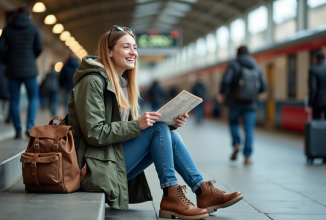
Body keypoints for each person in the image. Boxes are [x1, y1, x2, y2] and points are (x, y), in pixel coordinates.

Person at [68, 25, 243, 219]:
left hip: (108, 159)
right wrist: (139, 125)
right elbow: (94, 133)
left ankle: (202, 191)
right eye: (126, 47)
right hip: (90, 168)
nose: (133, 52)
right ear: (109, 51)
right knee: (158, 129)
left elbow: (126, 132)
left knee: (168, 132)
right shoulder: (92, 82)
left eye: (135, 48)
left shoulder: (121, 83)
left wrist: (171, 123)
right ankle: (171, 194)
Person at [0, 5, 43, 139]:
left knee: (14, 100)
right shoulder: (34, 29)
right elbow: (40, 47)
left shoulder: (7, 29)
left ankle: (17, 129)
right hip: (30, 69)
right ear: (30, 16)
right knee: (33, 97)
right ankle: (29, 126)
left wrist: (6, 60)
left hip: (12, 69)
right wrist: (31, 57)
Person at [217, 46, 266, 165]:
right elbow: (264, 87)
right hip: (251, 104)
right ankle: (248, 156)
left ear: (237, 54)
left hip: (234, 102)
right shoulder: (256, 67)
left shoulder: (233, 65)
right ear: (248, 54)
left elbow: (226, 80)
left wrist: (222, 93)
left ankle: (236, 144)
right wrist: (252, 95)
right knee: (249, 129)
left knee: (234, 123)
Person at [306, 50, 326, 119]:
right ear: (324, 59)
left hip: (317, 102)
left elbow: (313, 88)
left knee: (317, 124)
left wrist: (309, 105)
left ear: (315, 59)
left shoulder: (313, 70)